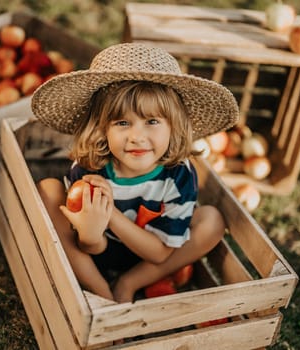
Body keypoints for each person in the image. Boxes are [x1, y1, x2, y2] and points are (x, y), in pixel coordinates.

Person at [31, 43, 239, 303]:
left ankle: (128, 284)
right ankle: (101, 291)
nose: (137, 137)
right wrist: (91, 233)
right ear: (102, 128)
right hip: (95, 255)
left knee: (212, 220)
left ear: (173, 127)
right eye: (122, 123)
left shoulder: (178, 176)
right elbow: (89, 247)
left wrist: (112, 215)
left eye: (152, 121)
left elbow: (160, 254)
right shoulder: (89, 170)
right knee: (48, 190)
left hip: (151, 257)